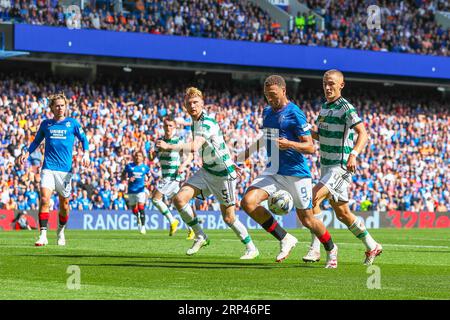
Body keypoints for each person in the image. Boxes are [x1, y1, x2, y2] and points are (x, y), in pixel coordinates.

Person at [240, 75, 338, 268]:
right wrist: (243, 156)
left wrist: (290, 144)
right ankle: (285, 238)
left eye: (274, 95)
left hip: (296, 173)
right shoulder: (267, 112)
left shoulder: (295, 113)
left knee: (307, 219)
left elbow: (310, 147)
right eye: (267, 95)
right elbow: (264, 138)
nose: (270, 99)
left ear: (284, 91)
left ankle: (331, 249)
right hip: (274, 171)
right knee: (248, 202)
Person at [156, 87, 259, 259]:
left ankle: (251, 247)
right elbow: (218, 146)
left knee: (228, 218)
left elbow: (195, 147)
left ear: (202, 104)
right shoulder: (194, 122)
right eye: (189, 103)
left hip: (223, 175)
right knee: (179, 199)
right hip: (207, 171)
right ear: (186, 106)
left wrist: (169, 146)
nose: (193, 105)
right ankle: (200, 235)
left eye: (196, 102)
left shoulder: (206, 123)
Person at [303, 69, 382, 266]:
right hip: (326, 166)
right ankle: (372, 245)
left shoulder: (346, 108)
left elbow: (363, 133)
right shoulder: (323, 108)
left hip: (340, 167)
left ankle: (316, 249)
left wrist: (353, 155)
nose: (327, 87)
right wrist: (305, 130)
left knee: (311, 199)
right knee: (343, 214)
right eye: (324, 84)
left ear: (341, 85)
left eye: (331, 83)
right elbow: (321, 137)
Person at [17, 92, 90, 246]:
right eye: (57, 105)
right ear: (51, 107)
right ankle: (43, 235)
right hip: (48, 168)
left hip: (65, 171)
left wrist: (86, 154)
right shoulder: (46, 124)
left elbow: (84, 139)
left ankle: (61, 231)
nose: (60, 108)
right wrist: (26, 153)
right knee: (44, 198)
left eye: (62, 105)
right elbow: (36, 141)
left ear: (66, 106)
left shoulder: (72, 123)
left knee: (64, 204)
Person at [151, 116, 194, 237]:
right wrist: (151, 155)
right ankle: (192, 228)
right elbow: (153, 158)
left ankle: (172, 221)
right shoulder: (159, 141)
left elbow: (190, 156)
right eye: (166, 125)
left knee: (155, 198)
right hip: (165, 176)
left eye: (170, 126)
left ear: (174, 127)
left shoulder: (178, 141)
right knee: (180, 205)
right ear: (163, 126)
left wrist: (183, 166)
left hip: (173, 176)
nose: (168, 128)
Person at [121, 150, 151, 234]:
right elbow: (122, 176)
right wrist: (127, 179)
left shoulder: (145, 167)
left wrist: (148, 182)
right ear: (134, 157)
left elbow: (150, 177)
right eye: (136, 156)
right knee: (134, 209)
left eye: (140, 156)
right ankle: (137, 218)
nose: (138, 157)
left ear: (142, 158)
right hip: (131, 191)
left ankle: (143, 227)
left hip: (141, 190)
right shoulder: (129, 166)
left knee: (141, 208)